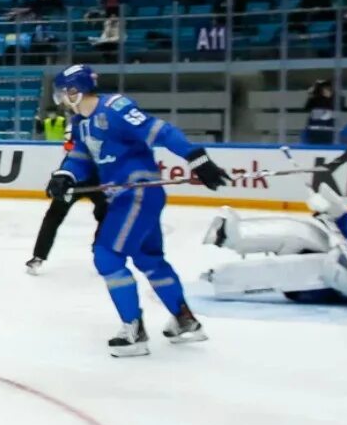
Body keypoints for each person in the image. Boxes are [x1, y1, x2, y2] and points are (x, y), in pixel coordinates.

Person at [46, 64, 230, 356]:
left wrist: (196, 157)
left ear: (74, 91)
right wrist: (64, 175)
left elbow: (160, 131)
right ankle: (185, 321)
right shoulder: (82, 122)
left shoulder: (115, 108)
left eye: (62, 93)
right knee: (150, 259)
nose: (60, 100)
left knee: (107, 256)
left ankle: (133, 330)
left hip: (137, 193)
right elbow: (80, 156)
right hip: (126, 197)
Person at [202, 185, 347, 307]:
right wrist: (332, 207)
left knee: (307, 265)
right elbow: (346, 223)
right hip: (329, 255)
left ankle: (226, 280)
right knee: (297, 231)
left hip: (321, 286)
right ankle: (232, 236)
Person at [27, 108, 108, 274]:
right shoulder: (77, 126)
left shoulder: (99, 127)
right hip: (74, 177)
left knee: (105, 214)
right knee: (54, 215)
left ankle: (100, 252)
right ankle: (38, 256)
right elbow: (70, 151)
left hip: (97, 178)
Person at [301, 79, 337, 144]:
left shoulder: (334, 99)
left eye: (327, 88)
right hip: (314, 129)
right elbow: (306, 108)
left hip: (328, 130)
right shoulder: (315, 99)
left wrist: (330, 97)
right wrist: (311, 95)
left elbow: (336, 107)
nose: (325, 90)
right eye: (323, 88)